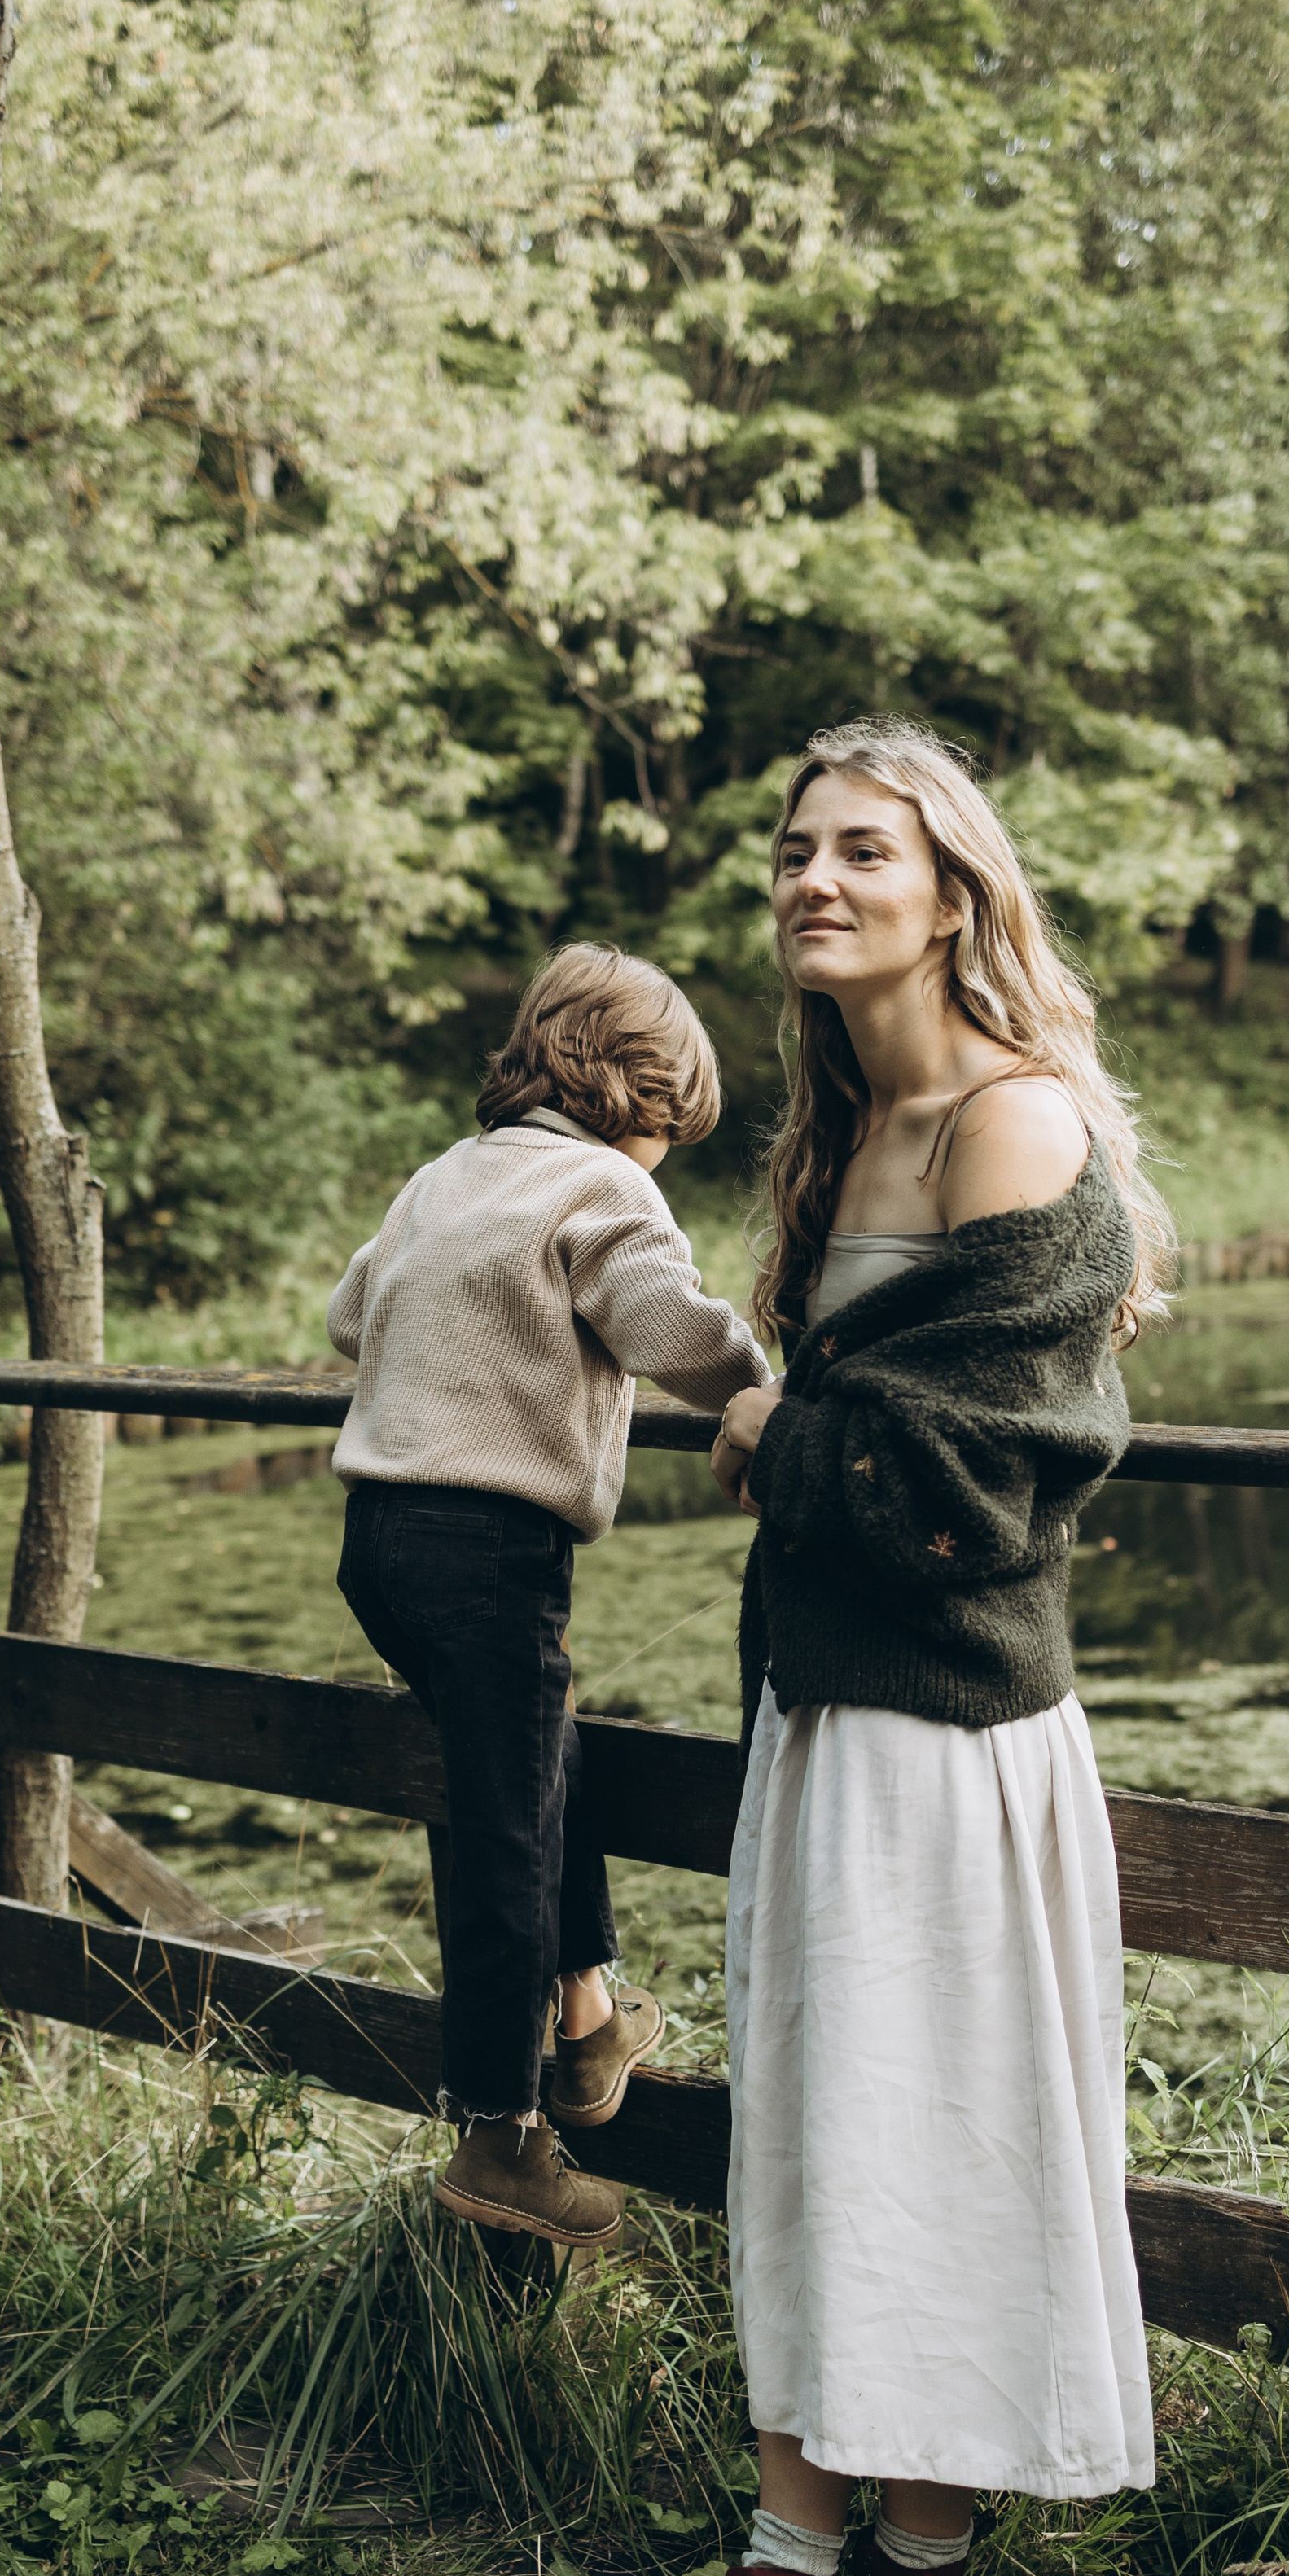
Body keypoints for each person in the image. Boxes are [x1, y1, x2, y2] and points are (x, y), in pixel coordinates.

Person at [571, 720, 1172, 2576]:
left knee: (912, 2157)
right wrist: (796, 1447)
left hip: (954, 1747)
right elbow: (877, 1451)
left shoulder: (1017, 1128)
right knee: (838, 2157)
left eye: (863, 850)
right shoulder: (846, 1142)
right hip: (826, 1726)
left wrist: (765, 1445)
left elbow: (967, 1491)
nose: (817, 879)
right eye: (794, 850)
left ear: (952, 890)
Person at [330, 944, 772, 2251]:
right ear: (637, 1097)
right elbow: (667, 1327)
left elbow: (353, 1315)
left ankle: (587, 2025)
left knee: (535, 1758)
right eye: (668, 1135)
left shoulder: (443, 1179)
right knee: (506, 1825)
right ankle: (499, 2134)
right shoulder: (599, 1187)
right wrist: (761, 1380)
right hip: (491, 1550)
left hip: (381, 1543)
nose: (664, 1163)